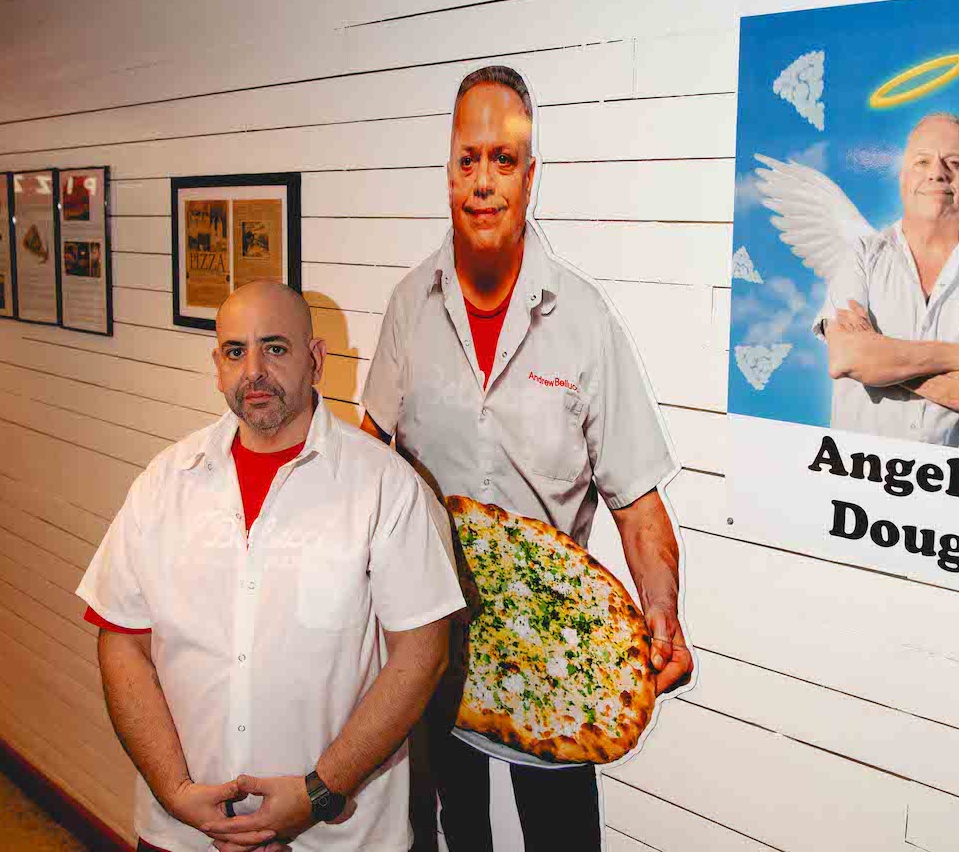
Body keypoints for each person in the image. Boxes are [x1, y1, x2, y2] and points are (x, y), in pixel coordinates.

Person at [360, 66, 692, 851]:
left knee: (562, 839)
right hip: (433, 643)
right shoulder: (409, 307)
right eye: (467, 159)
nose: (483, 182)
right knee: (453, 830)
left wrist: (662, 608)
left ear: (530, 176)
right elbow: (370, 464)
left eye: (503, 161)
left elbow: (637, 500)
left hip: (556, 645)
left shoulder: (582, 320)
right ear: (447, 169)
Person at [77, 280, 464, 852]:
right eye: (236, 351)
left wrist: (319, 792)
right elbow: (122, 644)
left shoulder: (385, 488)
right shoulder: (164, 483)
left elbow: (422, 656)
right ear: (217, 366)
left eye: (275, 348)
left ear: (316, 359)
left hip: (337, 839)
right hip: (183, 836)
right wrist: (175, 791)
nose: (253, 370)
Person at [819, 113, 959, 452]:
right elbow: (847, 358)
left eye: (954, 163)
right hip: (862, 485)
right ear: (902, 178)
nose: (937, 172)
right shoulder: (861, 257)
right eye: (922, 161)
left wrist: (882, 364)